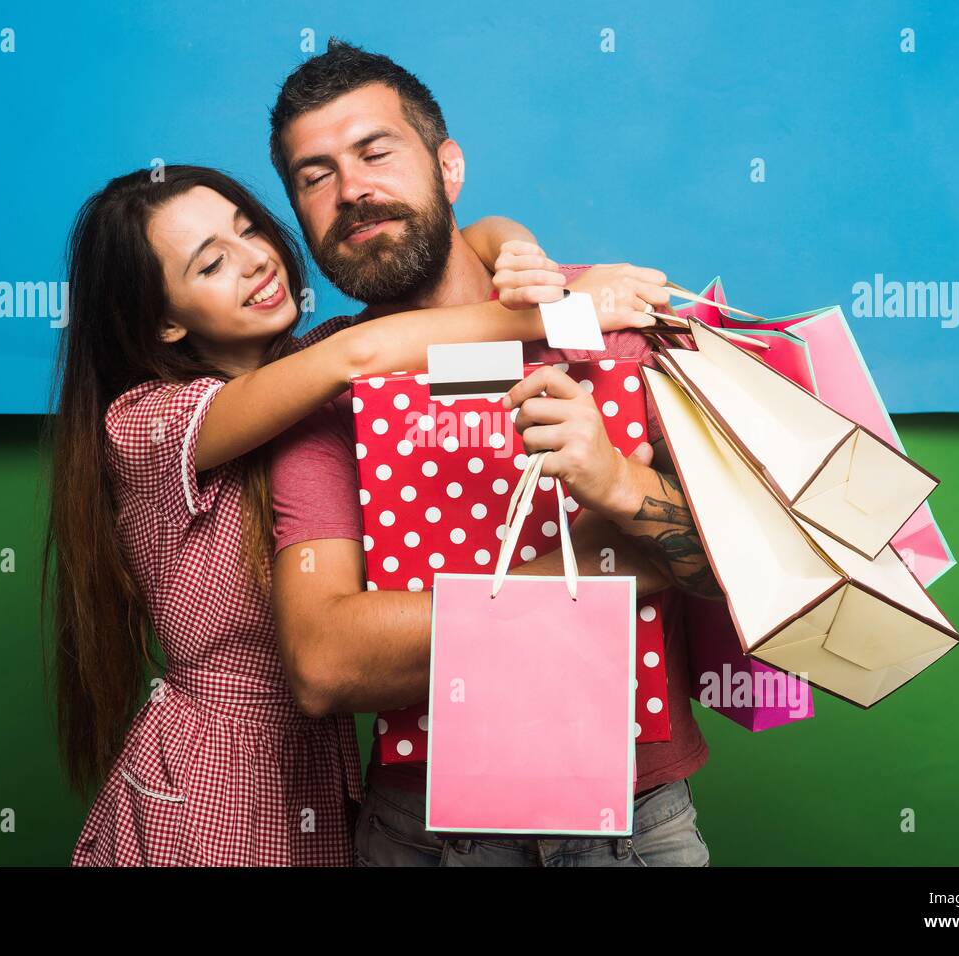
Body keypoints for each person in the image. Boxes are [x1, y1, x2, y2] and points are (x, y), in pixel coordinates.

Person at [43, 163, 655, 866]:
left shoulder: (316, 371)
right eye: (212, 263)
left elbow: (469, 244)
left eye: (249, 230)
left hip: (323, 773)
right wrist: (567, 308)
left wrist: (523, 257)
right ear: (165, 321)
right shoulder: (148, 422)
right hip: (212, 778)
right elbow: (360, 353)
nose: (254, 262)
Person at [267, 40, 719, 866]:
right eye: (314, 175)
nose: (352, 191)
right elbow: (327, 663)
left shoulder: (608, 313)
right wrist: (609, 568)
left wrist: (619, 482)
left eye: (375, 152)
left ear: (449, 168)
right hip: (428, 828)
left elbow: (742, 573)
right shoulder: (315, 388)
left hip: (636, 818)